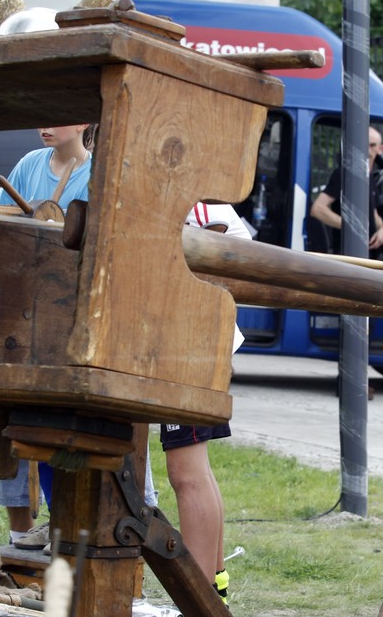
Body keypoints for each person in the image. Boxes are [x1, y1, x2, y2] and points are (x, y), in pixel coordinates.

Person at [0, 122, 95, 544]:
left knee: (58, 425)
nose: (44, 125)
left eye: (58, 116)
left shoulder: (96, 174)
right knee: (6, 420)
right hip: (19, 312)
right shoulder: (30, 164)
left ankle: (65, 528)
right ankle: (21, 537)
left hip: (68, 316)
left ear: (85, 122)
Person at [165, 201, 251, 607]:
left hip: (194, 339)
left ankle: (198, 596)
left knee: (186, 472)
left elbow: (213, 243)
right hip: (197, 335)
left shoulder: (200, 201)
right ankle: (214, 586)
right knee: (195, 468)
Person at [309, 126, 383, 257]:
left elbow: (373, 213)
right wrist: (351, 227)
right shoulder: (344, 174)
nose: (367, 149)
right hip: (348, 255)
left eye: (372, 145)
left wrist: (382, 230)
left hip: (370, 255)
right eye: (363, 144)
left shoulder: (371, 177)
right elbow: (317, 209)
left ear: (380, 149)